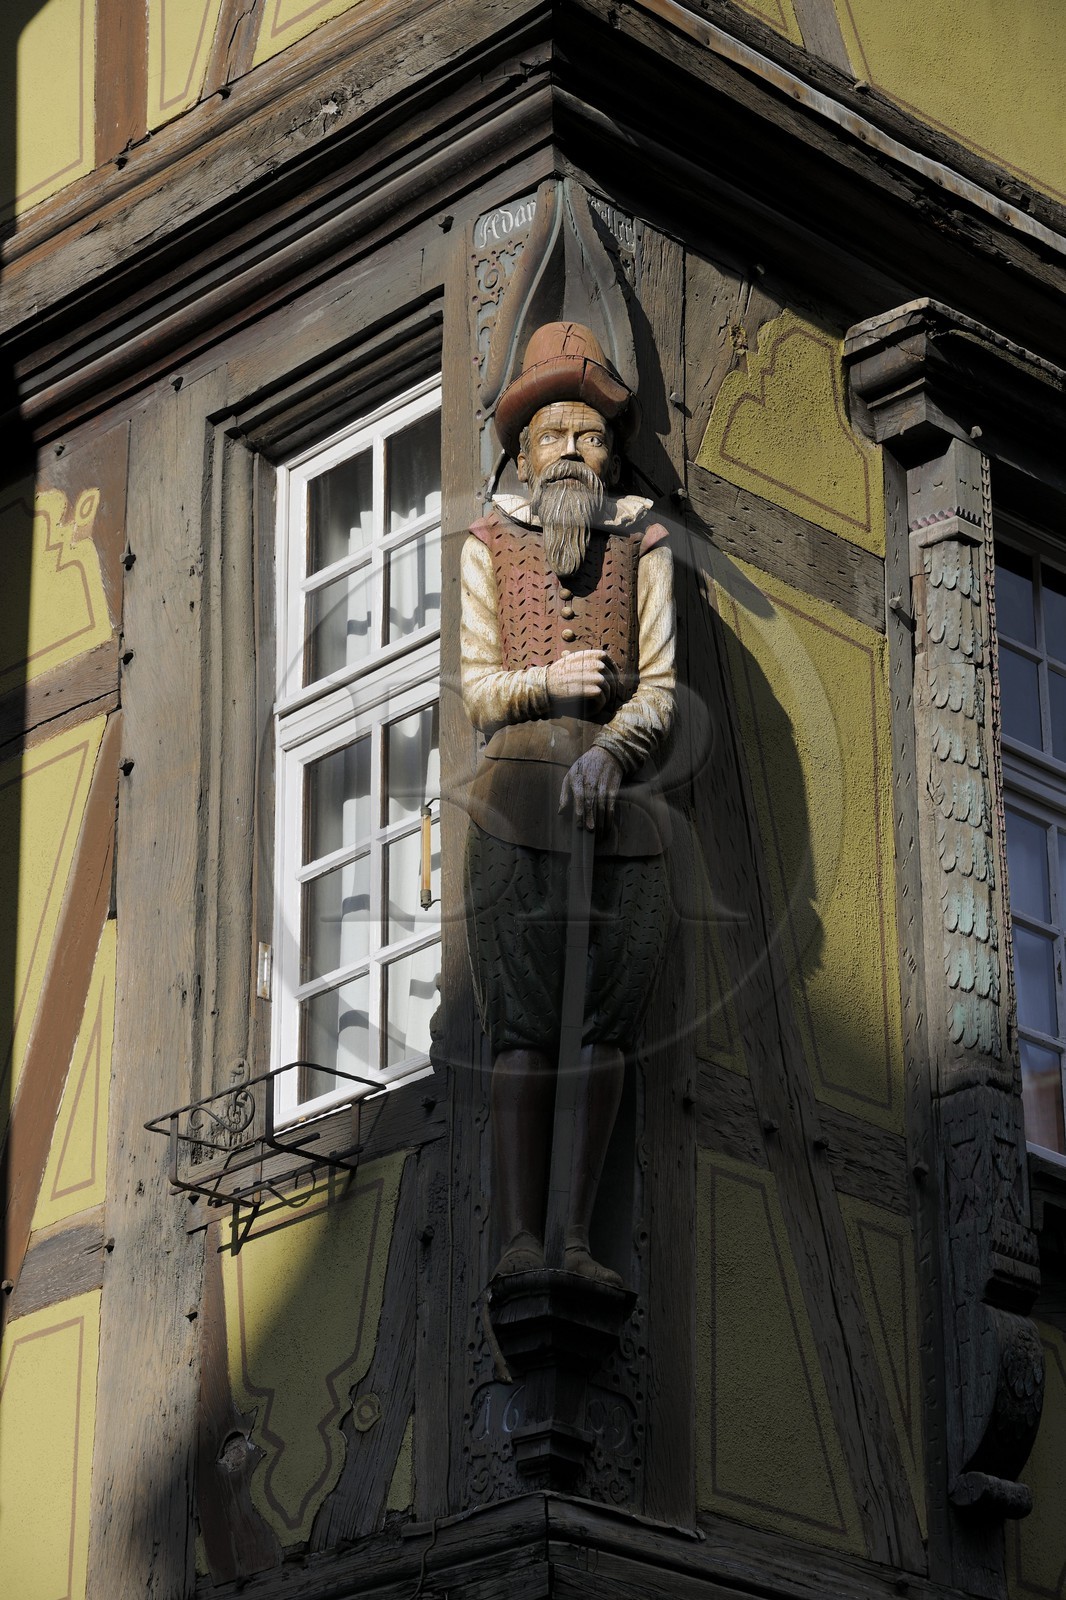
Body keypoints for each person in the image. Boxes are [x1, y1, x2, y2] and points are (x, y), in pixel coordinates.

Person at [461, 322, 676, 1285]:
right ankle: (514, 1237)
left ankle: (578, 1238)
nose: (575, 452)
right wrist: (547, 679)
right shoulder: (489, 540)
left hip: (617, 810)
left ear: (614, 453)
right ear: (522, 452)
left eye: (591, 436)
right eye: (555, 434)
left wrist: (615, 753)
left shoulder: (644, 540)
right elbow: (476, 686)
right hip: (513, 797)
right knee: (522, 1019)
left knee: (606, 1027)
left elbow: (663, 687)